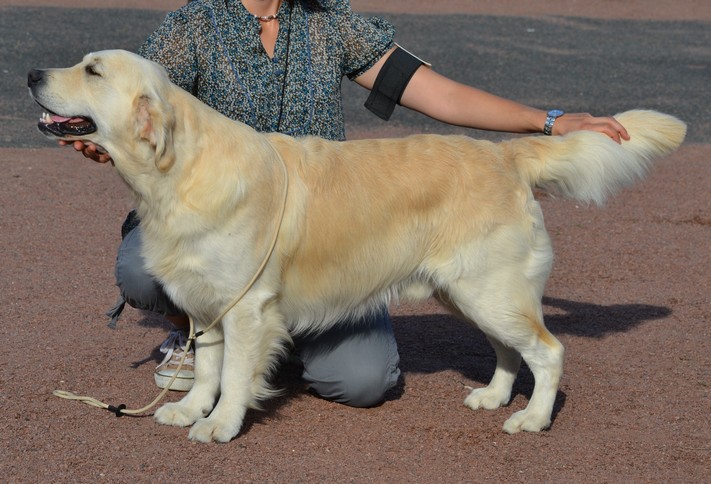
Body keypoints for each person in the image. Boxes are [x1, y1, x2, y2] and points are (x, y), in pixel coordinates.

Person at [63, 0, 629, 408]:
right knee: (142, 268)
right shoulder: (193, 24)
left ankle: (266, 339)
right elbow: (130, 104)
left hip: (325, 234)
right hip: (213, 224)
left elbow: (438, 92)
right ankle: (199, 330)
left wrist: (549, 122)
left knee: (364, 383)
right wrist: (95, 136)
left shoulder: (330, 20)